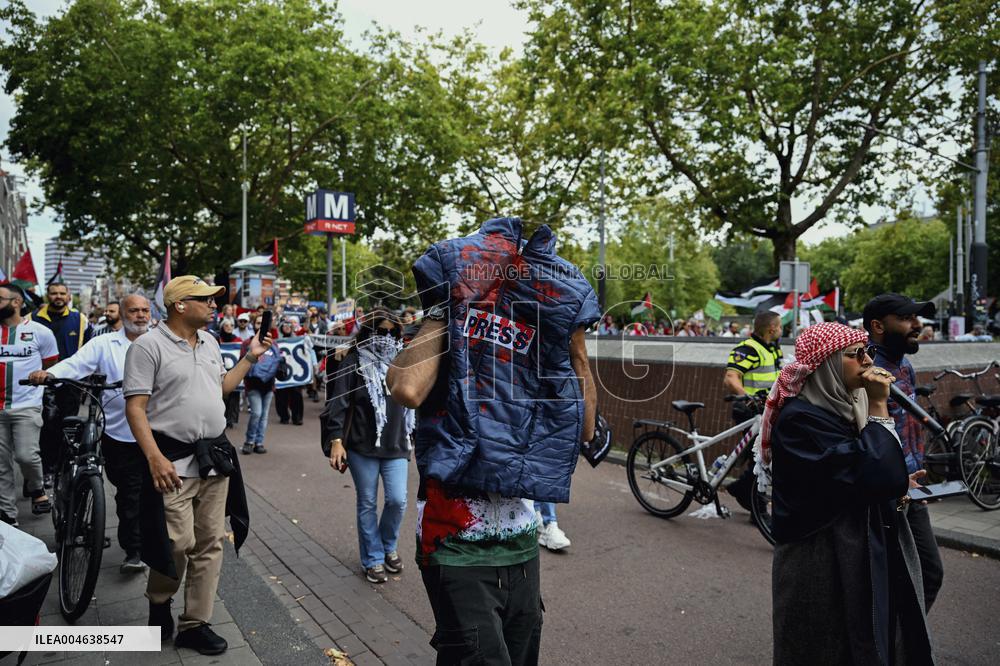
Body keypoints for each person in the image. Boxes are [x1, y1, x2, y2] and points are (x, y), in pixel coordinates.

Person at [387, 217, 600, 665]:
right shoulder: (447, 321)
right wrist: (448, 305)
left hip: (521, 542)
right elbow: (406, 389)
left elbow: (585, 431)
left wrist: (574, 345)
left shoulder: (538, 350)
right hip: (455, 544)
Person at [756, 322, 933, 664]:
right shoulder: (800, 420)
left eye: (869, 351)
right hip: (818, 557)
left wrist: (899, 482)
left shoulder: (846, 407)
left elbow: (867, 471)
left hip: (850, 547)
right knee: (823, 643)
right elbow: (870, 472)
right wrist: (879, 406)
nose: (868, 361)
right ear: (827, 365)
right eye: (856, 354)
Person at [123, 276, 271, 655]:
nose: (213, 305)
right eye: (205, 299)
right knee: (177, 542)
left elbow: (221, 388)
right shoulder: (147, 346)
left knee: (209, 543)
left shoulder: (210, 342)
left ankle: (195, 623)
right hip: (171, 461)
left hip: (215, 460)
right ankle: (159, 602)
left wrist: (250, 357)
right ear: (180, 305)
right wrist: (154, 457)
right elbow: (135, 408)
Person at [29, 294, 152, 573]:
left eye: (145, 310)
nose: (141, 315)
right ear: (122, 313)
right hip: (120, 433)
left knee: (151, 492)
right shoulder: (103, 344)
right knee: (129, 493)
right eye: (134, 310)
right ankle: (134, 550)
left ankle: (145, 545)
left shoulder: (160, 342)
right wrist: (49, 374)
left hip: (158, 431)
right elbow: (76, 364)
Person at [863, 293, 944, 612]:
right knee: (893, 578)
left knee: (928, 573)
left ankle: (903, 638)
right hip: (886, 493)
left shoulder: (905, 365)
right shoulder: (865, 370)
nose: (917, 325)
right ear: (878, 326)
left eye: (917, 317)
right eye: (907, 318)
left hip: (912, 488)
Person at [327, 310, 413, 583]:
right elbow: (338, 402)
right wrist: (336, 441)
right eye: (380, 331)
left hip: (396, 443)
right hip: (361, 446)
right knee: (367, 502)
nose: (386, 337)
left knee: (397, 500)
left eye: (391, 332)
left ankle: (388, 546)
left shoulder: (403, 361)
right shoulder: (353, 361)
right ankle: (373, 558)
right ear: (368, 332)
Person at [0, 283, 59, 525]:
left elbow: (51, 364)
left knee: (26, 456)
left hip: (27, 405)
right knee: (1, 464)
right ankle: (7, 514)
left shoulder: (40, 332)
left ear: (17, 302)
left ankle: (36, 487)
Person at [722, 311, 783, 511]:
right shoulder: (748, 349)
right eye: (780, 326)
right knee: (762, 456)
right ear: (771, 328)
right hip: (749, 411)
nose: (781, 330)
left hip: (766, 410)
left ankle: (745, 492)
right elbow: (731, 378)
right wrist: (748, 398)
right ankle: (753, 501)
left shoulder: (773, 349)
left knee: (763, 455)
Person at [33, 282, 94, 482]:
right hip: (41, 384)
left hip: (71, 384)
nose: (58, 296)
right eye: (54, 293)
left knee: (68, 426)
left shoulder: (80, 320)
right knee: (46, 427)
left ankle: (64, 468)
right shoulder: (32, 319)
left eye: (62, 293)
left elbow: (89, 351)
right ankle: (46, 469)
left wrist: (86, 380)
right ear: (47, 295)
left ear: (68, 296)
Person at [240, 314, 281, 454]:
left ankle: (259, 442)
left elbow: (277, 364)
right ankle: (249, 441)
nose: (260, 326)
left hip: (269, 386)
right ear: (253, 325)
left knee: (264, 416)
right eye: (258, 323)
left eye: (263, 324)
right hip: (253, 385)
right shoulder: (247, 343)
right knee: (256, 413)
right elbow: (242, 363)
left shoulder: (273, 344)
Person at [274, 319, 304, 425]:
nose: (287, 327)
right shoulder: (277, 341)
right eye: (284, 325)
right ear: (281, 327)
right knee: (281, 395)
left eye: (289, 325)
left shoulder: (298, 340)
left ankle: (297, 417)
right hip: (281, 371)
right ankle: (284, 416)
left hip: (294, 371)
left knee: (296, 395)